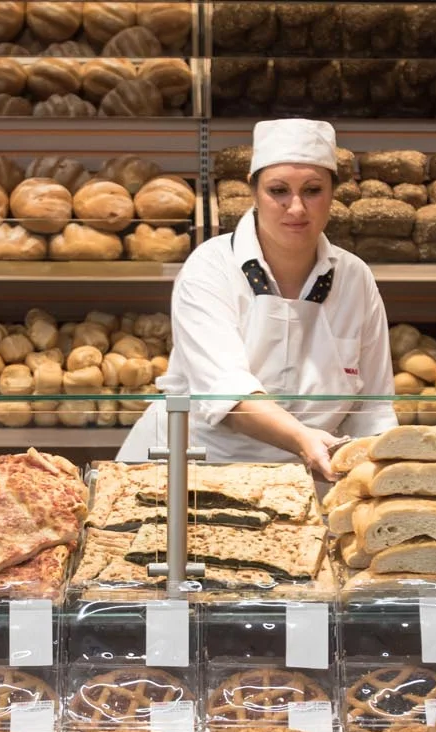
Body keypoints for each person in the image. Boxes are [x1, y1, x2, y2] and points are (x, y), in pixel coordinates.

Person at [118, 118, 395, 480]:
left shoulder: (355, 278)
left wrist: (379, 480)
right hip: (195, 472)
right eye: (278, 190)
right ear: (253, 190)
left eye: (312, 190)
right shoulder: (211, 267)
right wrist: (303, 439)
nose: (296, 208)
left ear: (333, 193)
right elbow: (226, 392)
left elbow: (373, 408)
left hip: (310, 477)